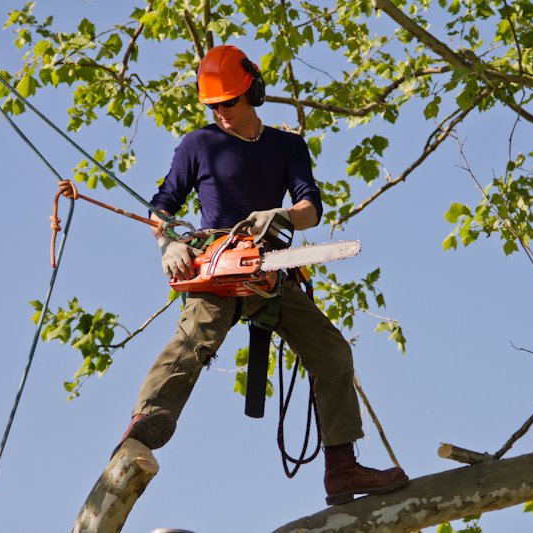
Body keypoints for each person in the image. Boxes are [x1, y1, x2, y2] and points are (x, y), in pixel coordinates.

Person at [114, 44, 408, 505]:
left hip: (270, 269)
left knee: (330, 350)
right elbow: (163, 205)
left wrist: (284, 216)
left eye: (228, 102)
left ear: (252, 90)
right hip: (218, 262)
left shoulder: (287, 146)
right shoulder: (200, 144)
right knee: (198, 334)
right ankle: (142, 427)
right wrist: (168, 244)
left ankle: (342, 467)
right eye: (213, 105)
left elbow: (312, 206)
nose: (221, 113)